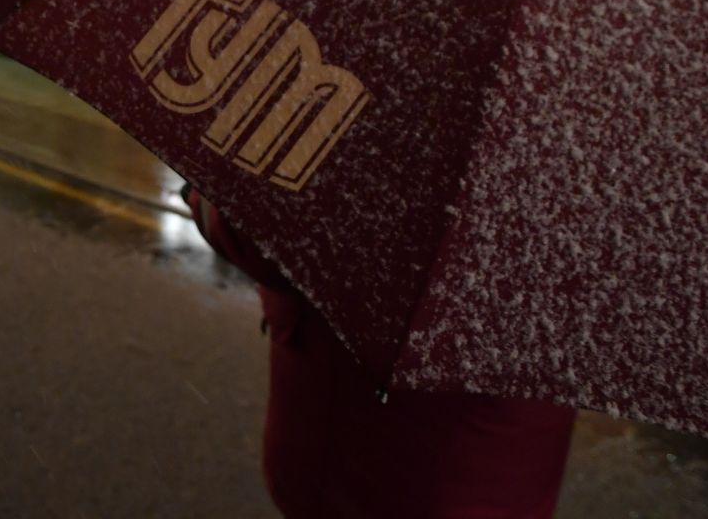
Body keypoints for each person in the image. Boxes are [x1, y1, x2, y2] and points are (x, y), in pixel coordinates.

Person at [186, 188, 577, 518]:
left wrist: (203, 195)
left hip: (362, 454)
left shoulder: (402, 113)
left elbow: (272, 233)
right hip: (512, 468)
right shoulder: (603, 144)